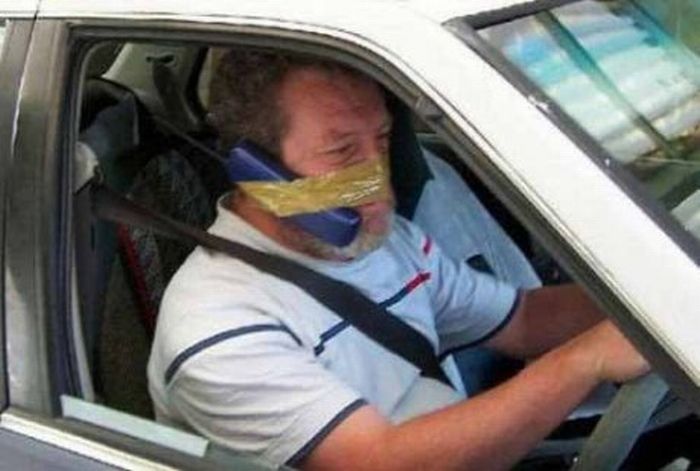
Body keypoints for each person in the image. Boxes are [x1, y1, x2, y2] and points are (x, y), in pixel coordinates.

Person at [147, 50, 648, 470]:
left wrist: (656, 303)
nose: (378, 184)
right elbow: (379, 461)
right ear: (257, 170)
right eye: (343, 152)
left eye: (382, 142)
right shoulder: (218, 326)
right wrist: (585, 361)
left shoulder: (387, 242)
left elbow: (522, 319)